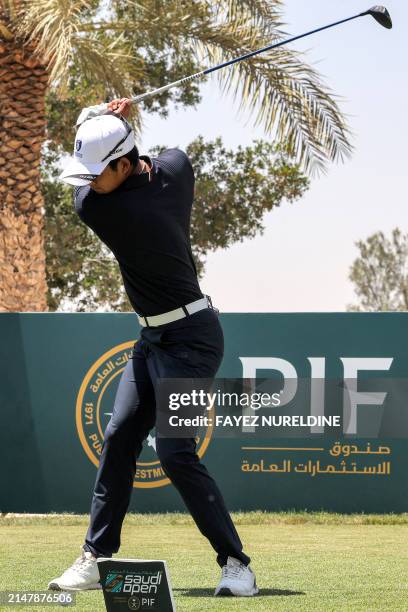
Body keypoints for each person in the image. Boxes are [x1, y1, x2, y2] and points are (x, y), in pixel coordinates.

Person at [47, 98, 258, 597]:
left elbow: (92, 189)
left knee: (175, 451)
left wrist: (101, 114)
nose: (87, 182)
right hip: (155, 338)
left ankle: (236, 564)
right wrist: (112, 125)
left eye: (96, 172)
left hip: (192, 341)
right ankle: (98, 557)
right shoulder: (176, 172)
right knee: (120, 437)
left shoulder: (107, 210)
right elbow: (172, 152)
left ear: (122, 166)